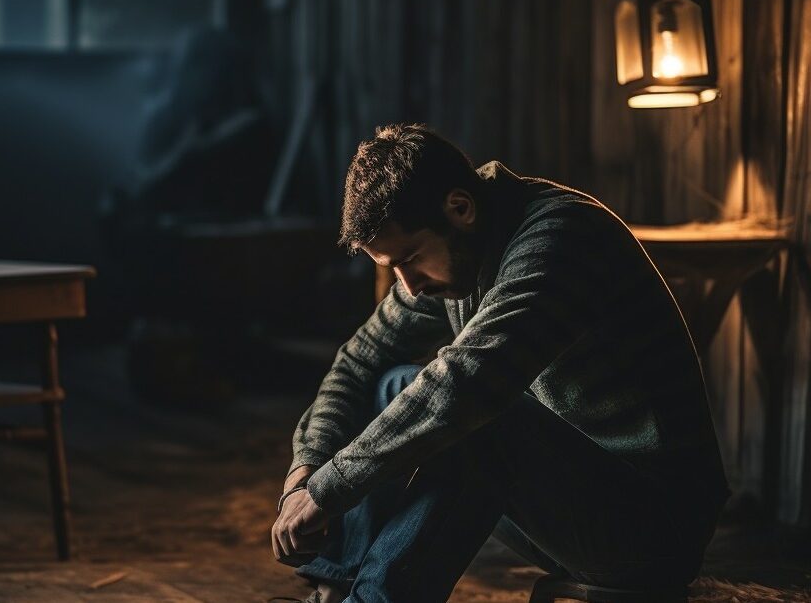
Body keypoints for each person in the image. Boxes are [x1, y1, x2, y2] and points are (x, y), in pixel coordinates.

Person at [269, 124, 729, 603]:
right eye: (392, 267)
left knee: (478, 417)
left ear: (460, 208)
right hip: (564, 509)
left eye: (410, 259)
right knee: (391, 383)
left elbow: (468, 385)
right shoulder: (455, 251)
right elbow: (359, 361)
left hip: (653, 529)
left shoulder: (561, 238)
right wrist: (308, 467)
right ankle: (334, 587)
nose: (407, 285)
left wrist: (327, 491)